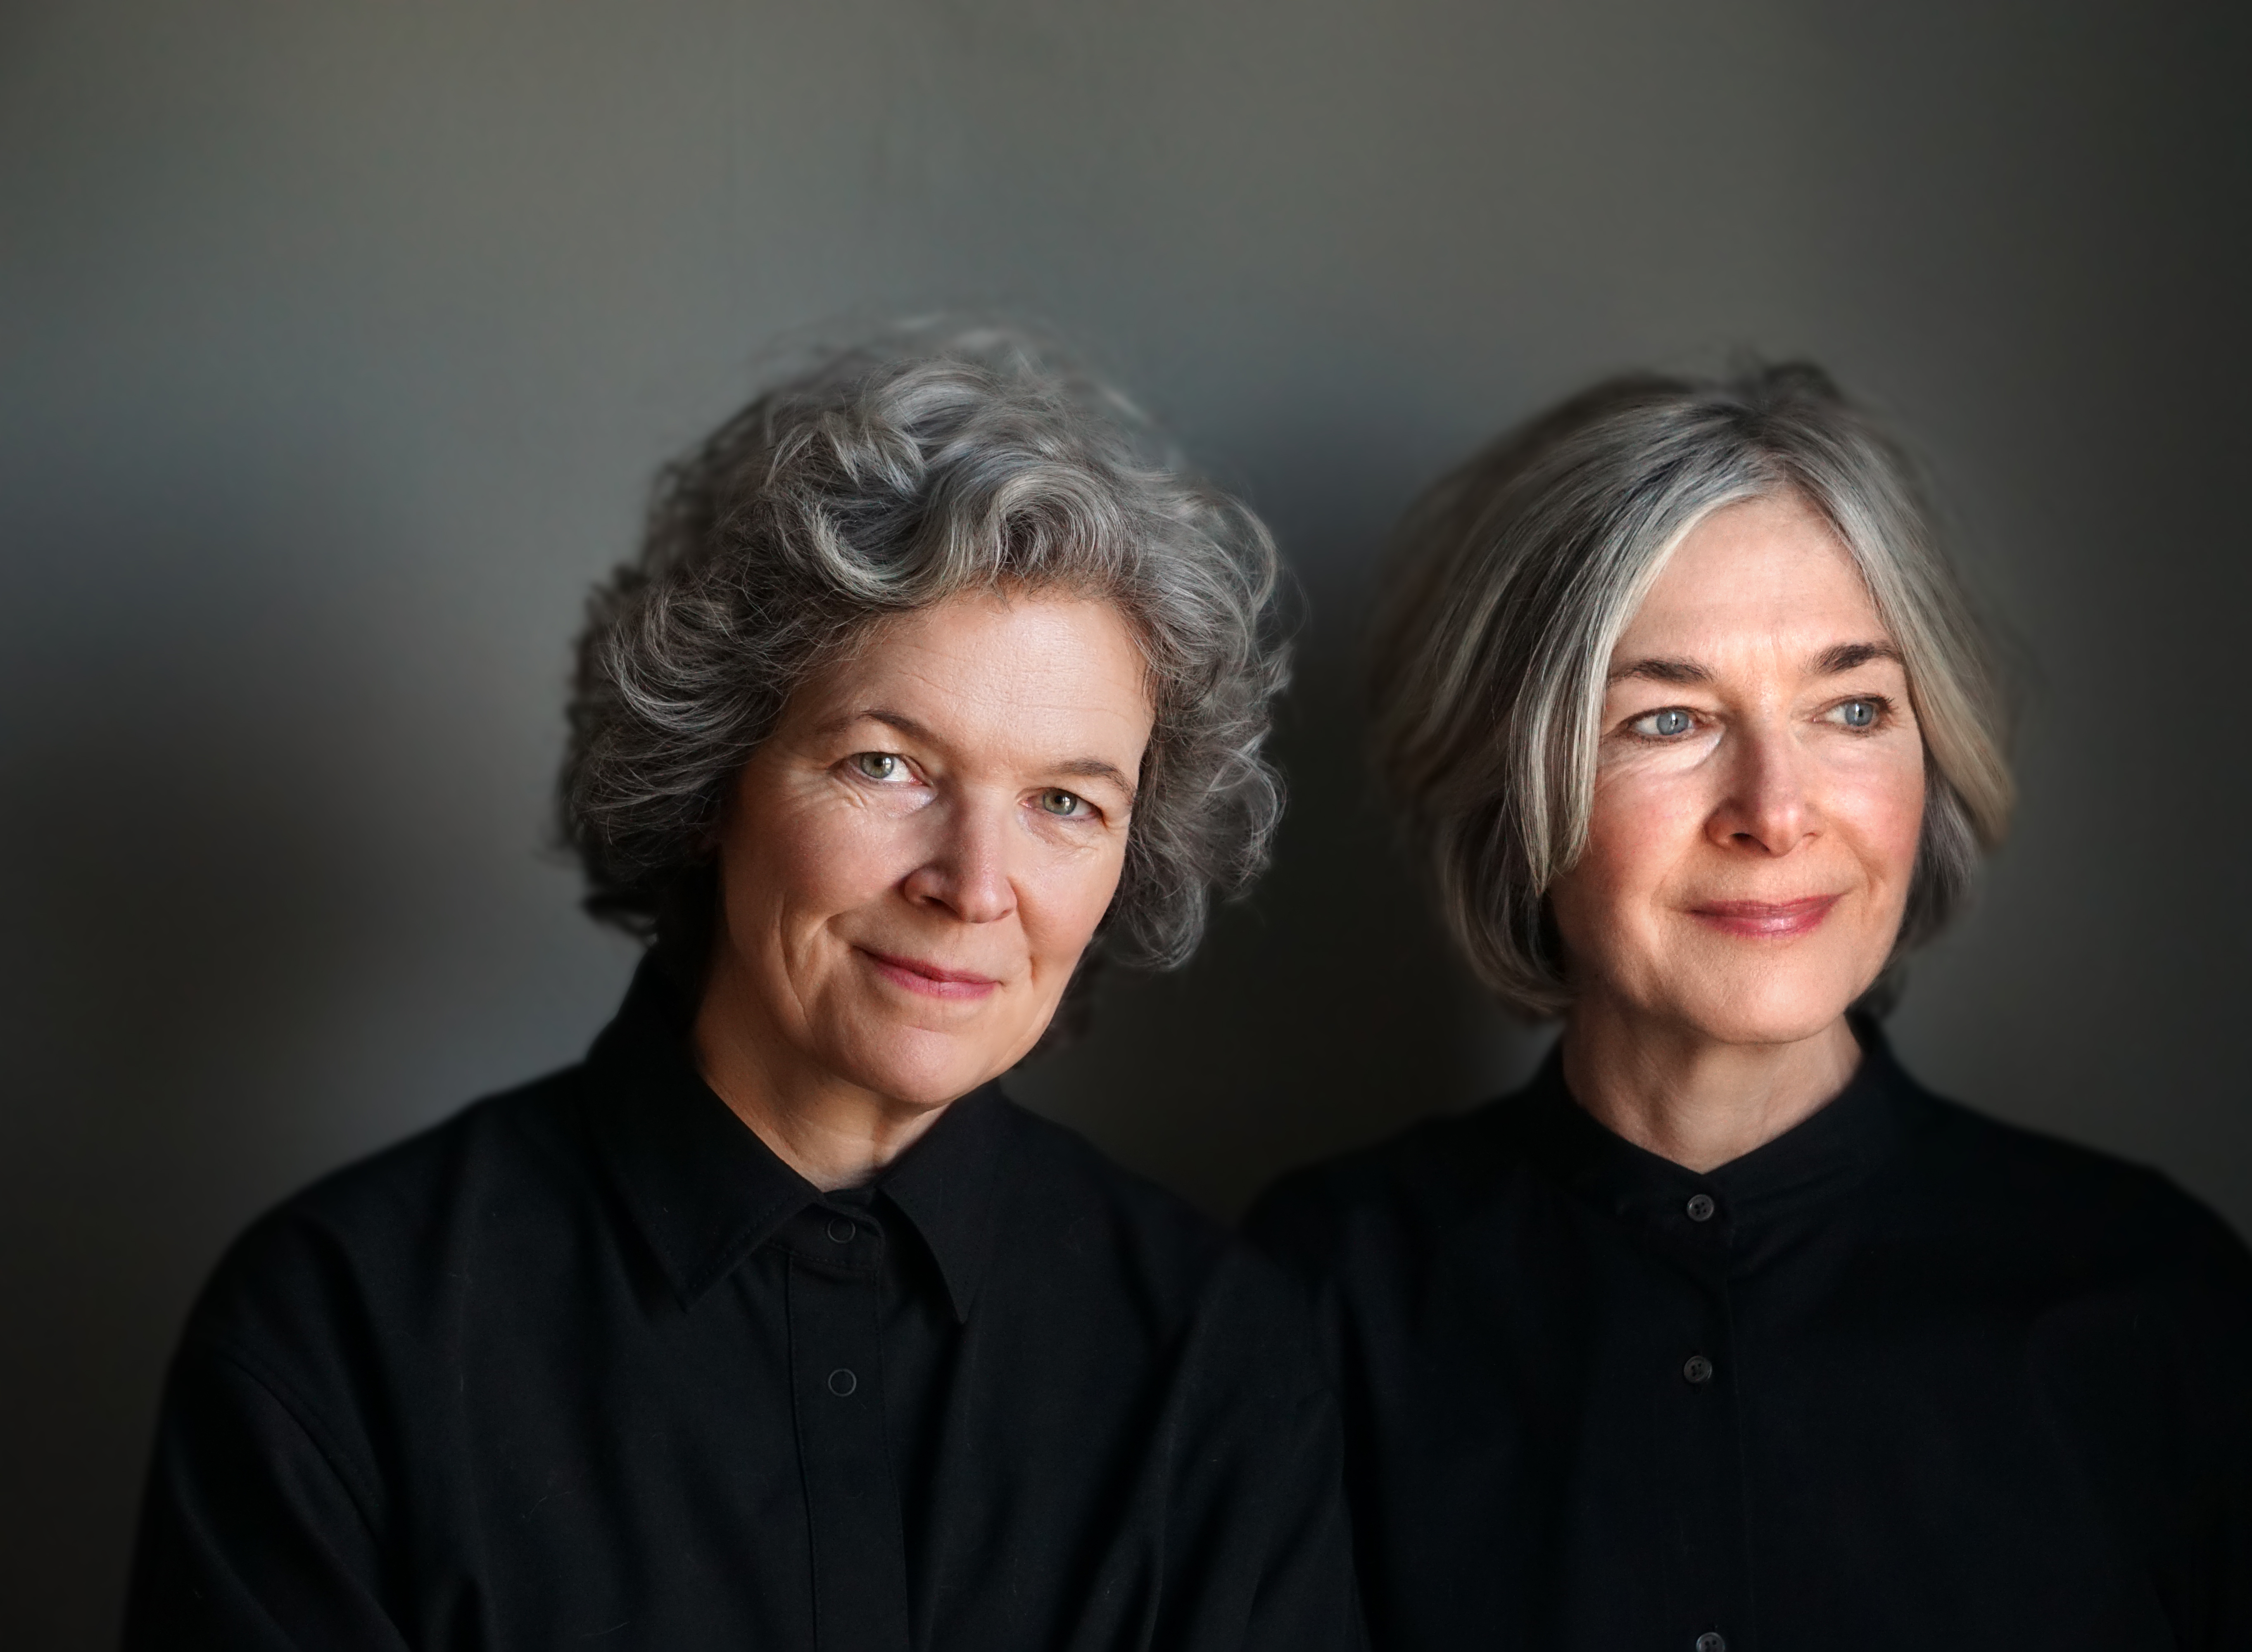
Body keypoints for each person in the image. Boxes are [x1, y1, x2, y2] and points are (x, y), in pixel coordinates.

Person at [126, 331, 1360, 1651]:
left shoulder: (1220, 1356)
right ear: (715, 778)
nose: (975, 881)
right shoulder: (341, 1331)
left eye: (1066, 801)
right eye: (888, 765)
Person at [1246, 364, 2252, 1650]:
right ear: (1514, 785)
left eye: (1851, 707)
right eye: (1669, 718)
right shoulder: (1314, 1299)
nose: (1777, 810)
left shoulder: (2154, 1301)